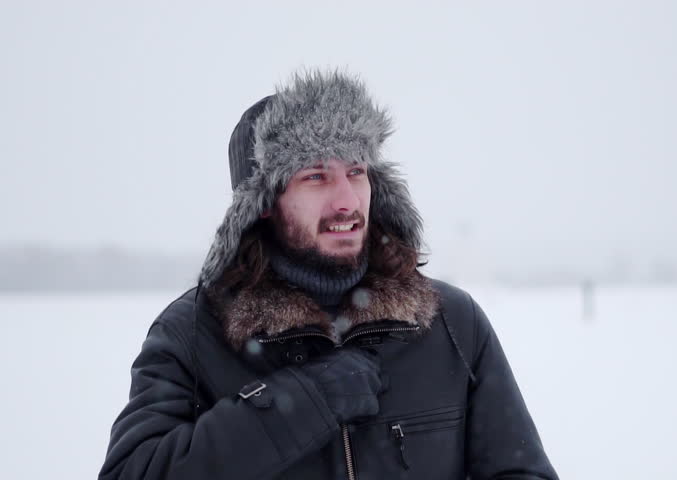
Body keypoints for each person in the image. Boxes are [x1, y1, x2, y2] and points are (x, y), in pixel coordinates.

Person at [99, 69, 558, 479]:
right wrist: (298, 404)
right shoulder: (193, 334)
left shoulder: (451, 322)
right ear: (261, 204)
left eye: (356, 172)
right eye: (316, 177)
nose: (347, 201)